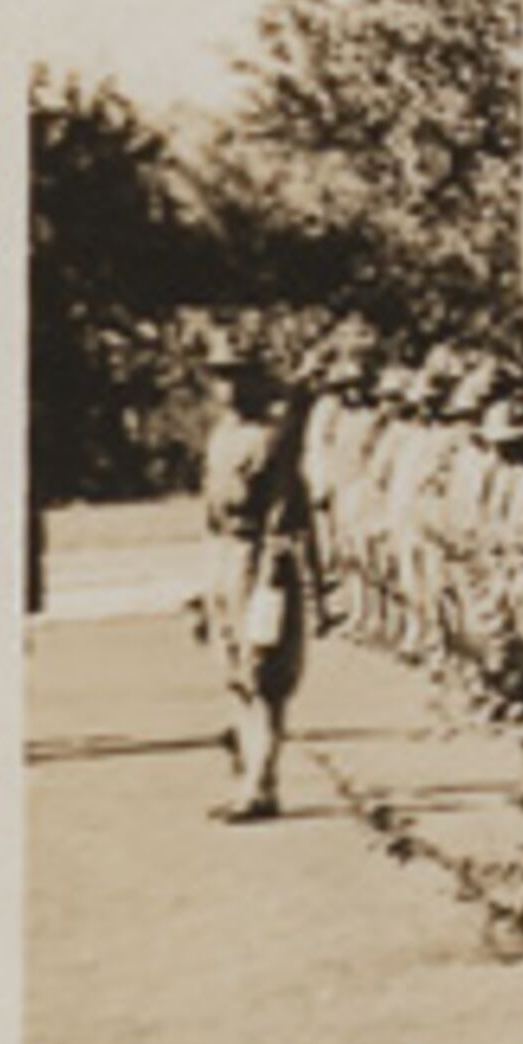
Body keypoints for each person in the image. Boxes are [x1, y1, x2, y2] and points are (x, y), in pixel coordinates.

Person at [197, 343, 315, 824]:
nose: (227, 387)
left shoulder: (272, 440)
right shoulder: (223, 436)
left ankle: (261, 786)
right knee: (233, 673)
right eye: (220, 376)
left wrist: (273, 578)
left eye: (237, 376)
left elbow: (284, 515)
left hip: (258, 558)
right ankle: (246, 777)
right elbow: (210, 512)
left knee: (263, 674)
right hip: (224, 555)